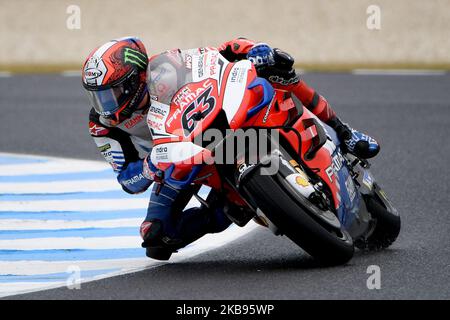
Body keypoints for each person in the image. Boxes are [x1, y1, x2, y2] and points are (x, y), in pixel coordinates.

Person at [82, 36, 380, 260]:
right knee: (156, 239)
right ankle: (230, 206)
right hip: (176, 161)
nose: (107, 104)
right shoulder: (103, 125)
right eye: (99, 97)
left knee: (277, 65)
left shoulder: (166, 66)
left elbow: (220, 54)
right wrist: (150, 166)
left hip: (212, 123)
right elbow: (126, 179)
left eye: (113, 92)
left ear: (137, 77)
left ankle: (344, 130)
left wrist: (253, 50)